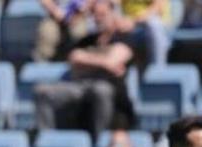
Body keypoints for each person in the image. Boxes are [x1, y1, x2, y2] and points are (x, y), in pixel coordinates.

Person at [35, 0, 137, 139]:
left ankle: (100, 141)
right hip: (80, 88)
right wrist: (103, 64)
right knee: (43, 91)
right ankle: (47, 139)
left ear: (113, 14)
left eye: (102, 14)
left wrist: (87, 61)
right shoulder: (88, 40)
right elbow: (74, 58)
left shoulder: (123, 38)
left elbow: (114, 59)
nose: (97, 18)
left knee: (100, 90)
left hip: (111, 94)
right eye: (94, 14)